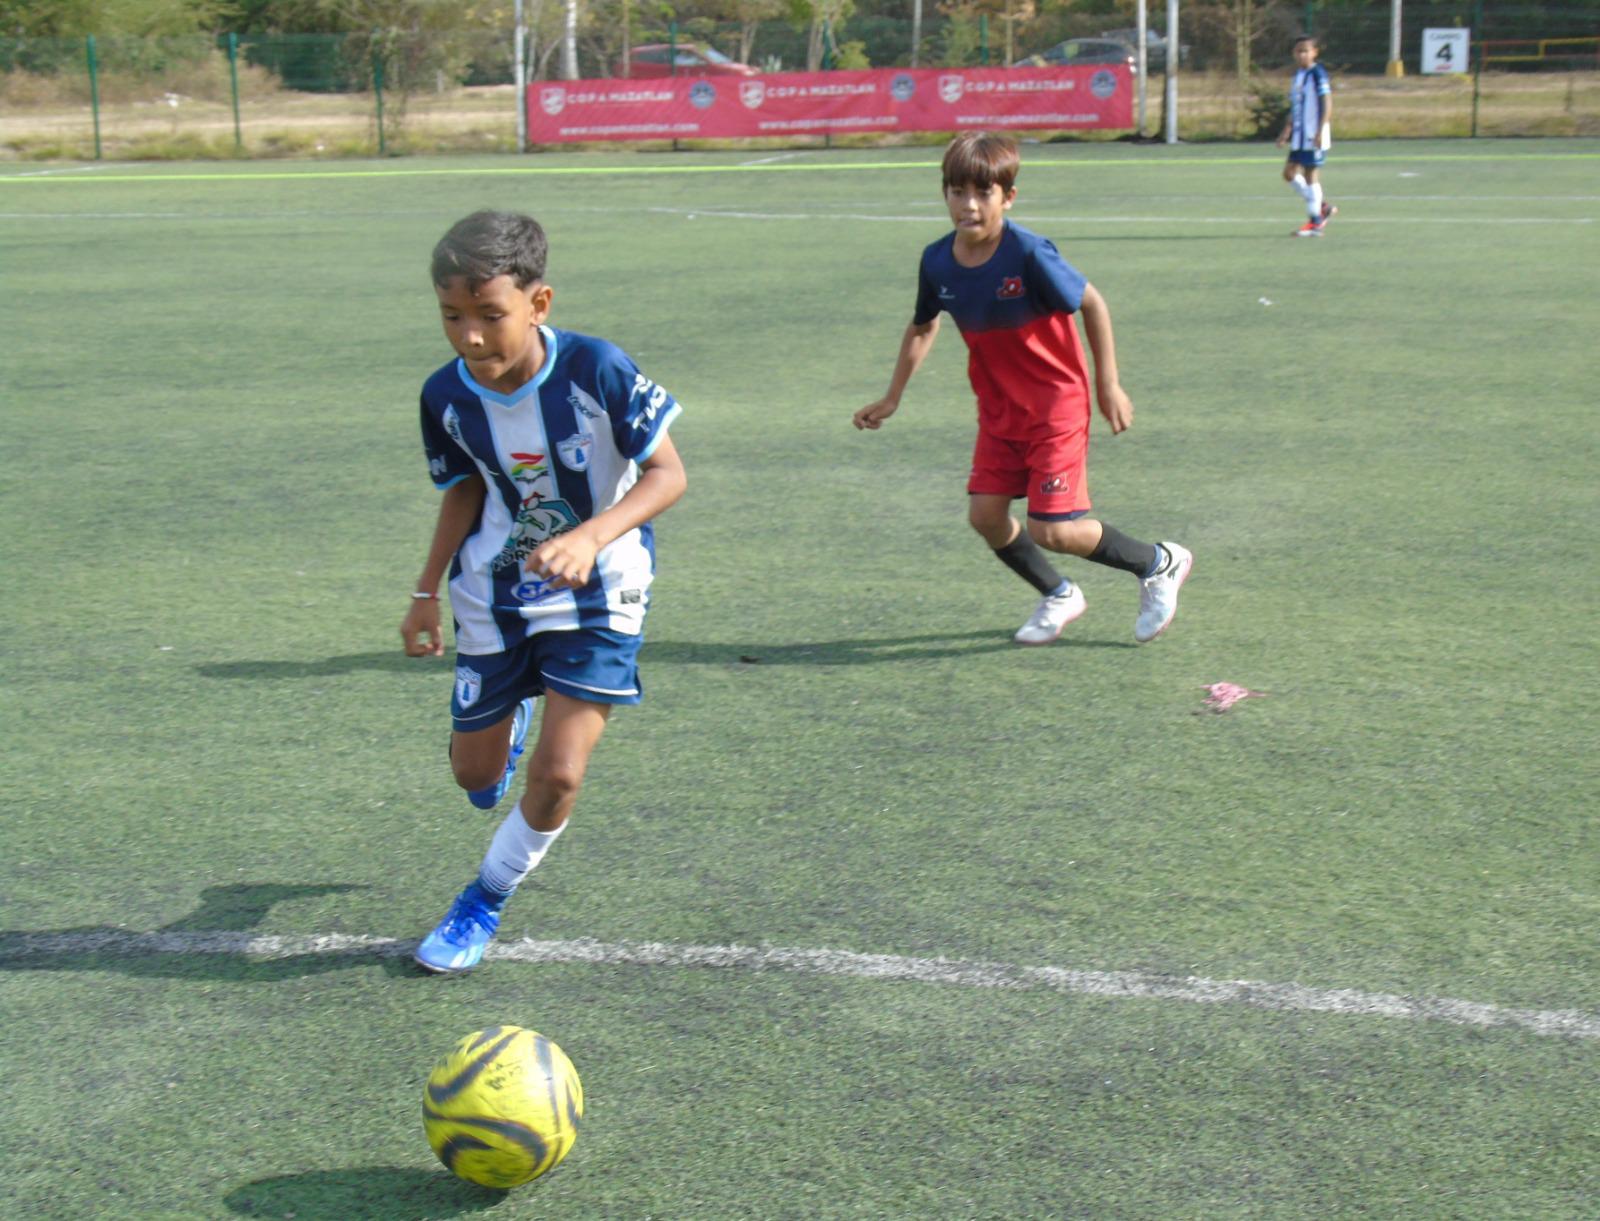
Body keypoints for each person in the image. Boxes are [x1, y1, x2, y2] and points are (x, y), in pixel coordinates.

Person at [401, 210, 687, 974]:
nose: (468, 336)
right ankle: (515, 709)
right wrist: (425, 590)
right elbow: (462, 487)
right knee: (474, 778)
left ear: (540, 303)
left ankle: (484, 897)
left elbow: (669, 474)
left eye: (489, 315)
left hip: (603, 586)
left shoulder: (597, 369)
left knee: (558, 775)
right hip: (491, 593)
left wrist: (593, 536)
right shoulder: (445, 395)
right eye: (451, 316)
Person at [852, 132, 1191, 646]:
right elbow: (923, 326)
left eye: (982, 193)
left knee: (1052, 529)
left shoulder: (1029, 253)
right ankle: (1058, 594)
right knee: (986, 516)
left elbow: (1092, 304)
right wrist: (892, 396)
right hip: (998, 410)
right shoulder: (937, 261)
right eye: (957, 191)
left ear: (1007, 197)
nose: (968, 205)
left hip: (1056, 405)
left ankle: (1159, 562)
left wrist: (1109, 384)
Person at [1277, 35, 1337, 236]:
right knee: (1289, 174)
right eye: (1298, 51)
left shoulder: (1317, 73)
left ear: (1314, 52)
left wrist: (1320, 130)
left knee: (1311, 174)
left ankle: (1315, 223)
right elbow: (1295, 106)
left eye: (1305, 50)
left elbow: (1326, 102)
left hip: (1313, 133)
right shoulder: (1298, 76)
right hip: (1299, 135)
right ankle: (1322, 207)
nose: (1301, 54)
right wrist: (1287, 130)